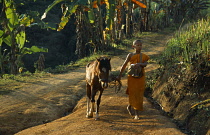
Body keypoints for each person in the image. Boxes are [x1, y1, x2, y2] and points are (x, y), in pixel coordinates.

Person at [117, 39, 150, 120]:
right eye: (137, 45)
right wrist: (119, 75)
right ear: (133, 46)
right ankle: (136, 114)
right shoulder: (130, 55)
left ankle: (130, 106)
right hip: (132, 77)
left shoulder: (144, 56)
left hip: (141, 77)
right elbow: (124, 65)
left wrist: (139, 64)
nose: (139, 47)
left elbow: (145, 64)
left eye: (140, 45)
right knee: (133, 93)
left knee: (139, 93)